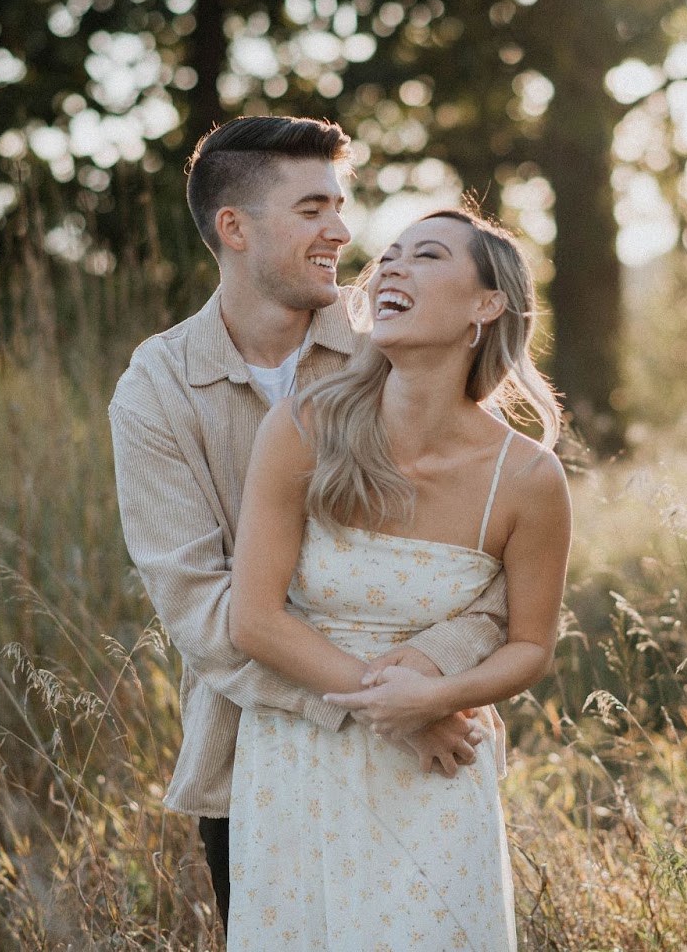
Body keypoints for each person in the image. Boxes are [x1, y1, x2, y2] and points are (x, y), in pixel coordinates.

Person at [108, 117, 509, 933]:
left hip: (431, 751)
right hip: (255, 754)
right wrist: (385, 705)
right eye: (313, 209)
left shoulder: (398, 340)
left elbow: (491, 565)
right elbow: (203, 611)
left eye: (341, 206)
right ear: (235, 228)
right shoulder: (157, 390)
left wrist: (429, 684)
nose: (343, 232)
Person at [226, 208, 572, 949]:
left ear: (485, 306)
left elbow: (530, 647)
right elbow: (253, 619)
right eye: (391, 257)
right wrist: (398, 710)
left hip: (441, 769)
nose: (391, 268)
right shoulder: (300, 429)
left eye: (428, 256)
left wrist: (439, 699)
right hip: (299, 756)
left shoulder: (528, 479)